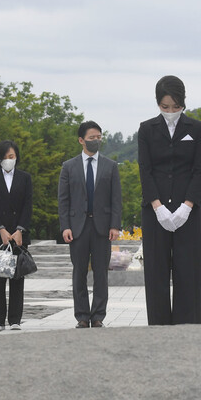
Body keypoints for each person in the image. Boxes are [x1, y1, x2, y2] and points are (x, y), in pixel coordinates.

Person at [138, 75, 201, 325]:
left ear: (183, 103)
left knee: (187, 270)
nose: (170, 112)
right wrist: (157, 206)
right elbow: (145, 169)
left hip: (186, 210)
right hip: (155, 210)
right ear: (158, 103)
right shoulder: (147, 129)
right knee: (156, 271)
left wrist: (187, 206)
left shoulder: (196, 129)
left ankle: (187, 326)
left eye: (175, 107)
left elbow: (199, 169)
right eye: (165, 107)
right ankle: (158, 326)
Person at [58, 121, 122, 329]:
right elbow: (64, 200)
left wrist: (115, 225)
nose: (96, 141)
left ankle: (98, 316)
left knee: (101, 273)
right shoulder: (68, 167)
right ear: (81, 140)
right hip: (77, 227)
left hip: (102, 227)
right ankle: (82, 316)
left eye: (98, 137)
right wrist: (65, 226)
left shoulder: (110, 166)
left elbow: (116, 199)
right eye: (92, 138)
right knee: (79, 273)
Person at [0, 140, 32, 331]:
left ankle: (15, 320)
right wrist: (0, 229)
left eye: (11, 156)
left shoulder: (25, 178)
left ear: (16, 157)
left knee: (17, 278)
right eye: (5, 157)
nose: (8, 160)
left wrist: (20, 229)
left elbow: (28, 206)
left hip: (19, 235)